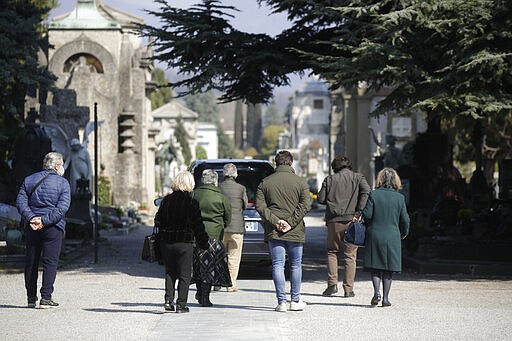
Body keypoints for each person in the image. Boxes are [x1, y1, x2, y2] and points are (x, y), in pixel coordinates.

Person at [255, 150, 311, 312]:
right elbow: (306, 205)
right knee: (295, 265)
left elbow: (260, 206)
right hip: (295, 230)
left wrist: (275, 221)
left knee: (278, 265)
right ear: (291, 163)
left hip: (274, 230)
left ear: (276, 163)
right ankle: (295, 300)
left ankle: (281, 302)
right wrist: (290, 223)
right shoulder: (300, 182)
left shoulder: (265, 182)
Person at [16, 152, 71, 309]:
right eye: (61, 165)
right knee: (50, 262)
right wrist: (44, 221)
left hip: (32, 226)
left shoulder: (29, 179)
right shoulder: (63, 183)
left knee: (31, 262)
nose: (62, 168)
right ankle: (46, 298)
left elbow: (20, 202)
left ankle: (31, 298)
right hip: (53, 227)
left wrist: (32, 218)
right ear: (56, 166)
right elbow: (62, 208)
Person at [154, 171, 210, 313]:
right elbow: (198, 226)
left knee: (170, 272)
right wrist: (204, 244)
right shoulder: (192, 202)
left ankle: (168, 300)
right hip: (184, 243)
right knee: (185, 274)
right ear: (190, 184)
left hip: (166, 242)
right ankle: (181, 305)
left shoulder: (166, 200)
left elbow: (157, 220)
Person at [317, 156, 370, 297]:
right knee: (350, 256)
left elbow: (321, 199)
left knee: (332, 252)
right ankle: (348, 289)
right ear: (349, 165)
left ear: (335, 166)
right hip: (352, 220)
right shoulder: (358, 178)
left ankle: (332, 285)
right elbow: (367, 191)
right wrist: (359, 210)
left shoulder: (329, 179)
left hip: (334, 221)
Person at [362, 167, 410, 307]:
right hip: (393, 235)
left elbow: (367, 215)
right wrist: (404, 232)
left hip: (375, 233)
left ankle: (376, 291)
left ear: (380, 179)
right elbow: (405, 219)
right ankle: (386, 298)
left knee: (375, 266)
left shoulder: (374, 195)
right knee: (388, 268)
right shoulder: (400, 198)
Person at [193, 169, 232, 307]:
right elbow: (228, 218)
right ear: (215, 181)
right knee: (209, 267)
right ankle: (205, 297)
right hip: (214, 236)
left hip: (196, 235)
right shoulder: (222, 197)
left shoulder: (194, 194)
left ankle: (199, 292)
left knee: (198, 265)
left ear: (203, 180)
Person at [219, 163, 248, 292]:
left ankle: (217, 282)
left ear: (223, 174)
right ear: (235, 174)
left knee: (218, 255)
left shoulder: (218, 187)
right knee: (234, 256)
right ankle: (231, 285)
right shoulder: (241, 188)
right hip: (237, 228)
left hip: (221, 227)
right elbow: (245, 205)